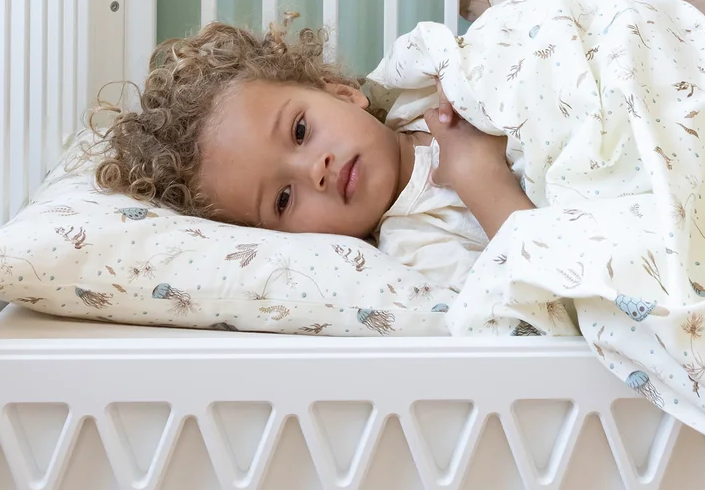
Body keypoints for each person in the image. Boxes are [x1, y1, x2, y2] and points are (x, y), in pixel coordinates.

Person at [92, 19, 534, 289]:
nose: (315, 171)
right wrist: (481, 178)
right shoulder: (419, 248)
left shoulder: (423, 81)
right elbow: (544, 295)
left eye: (300, 131)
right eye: (283, 199)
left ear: (342, 93)